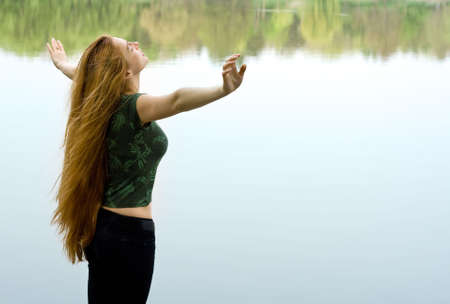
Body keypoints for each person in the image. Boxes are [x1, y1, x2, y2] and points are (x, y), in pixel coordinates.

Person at [46, 34, 246, 303]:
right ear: (124, 70)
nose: (137, 45)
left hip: (103, 229)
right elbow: (176, 100)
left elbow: (84, 76)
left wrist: (62, 65)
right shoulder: (134, 107)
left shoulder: (104, 100)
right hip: (129, 237)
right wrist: (222, 90)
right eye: (129, 48)